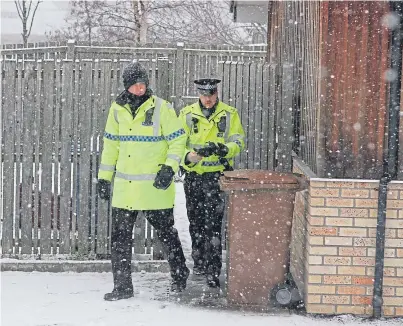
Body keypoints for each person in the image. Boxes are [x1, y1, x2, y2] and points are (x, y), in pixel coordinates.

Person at [97, 62, 189, 301]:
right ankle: (122, 287)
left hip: (154, 188)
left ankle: (180, 276)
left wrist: (169, 168)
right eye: (135, 84)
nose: (140, 88)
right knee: (119, 239)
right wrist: (104, 178)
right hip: (125, 189)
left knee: (166, 234)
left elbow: (178, 141)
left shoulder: (162, 109)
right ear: (126, 86)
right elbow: (111, 146)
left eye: (143, 83)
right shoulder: (116, 110)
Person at [178, 78, 245, 288]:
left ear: (216, 93)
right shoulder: (187, 114)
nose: (208, 99)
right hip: (194, 177)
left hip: (217, 177)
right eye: (204, 95)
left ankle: (213, 270)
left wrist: (224, 149)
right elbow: (177, 144)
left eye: (211, 94)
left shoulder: (229, 113)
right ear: (198, 94)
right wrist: (188, 157)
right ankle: (199, 262)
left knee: (214, 225)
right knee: (195, 222)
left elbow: (238, 140)